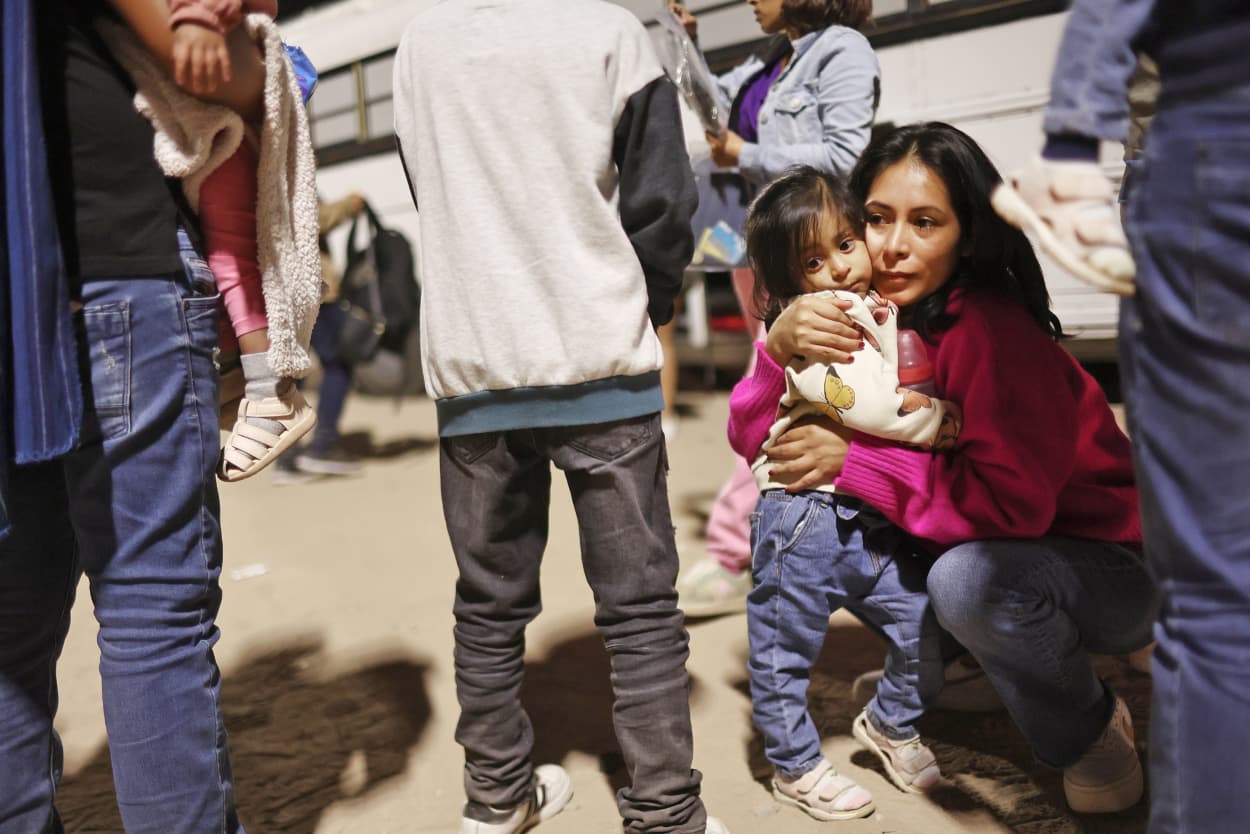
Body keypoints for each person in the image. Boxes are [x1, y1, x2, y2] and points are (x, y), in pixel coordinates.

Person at [728, 122, 1156, 815]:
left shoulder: (989, 330)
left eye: (924, 222)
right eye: (874, 220)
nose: (890, 245)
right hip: (1013, 544)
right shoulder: (870, 312)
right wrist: (775, 349)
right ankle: (973, 662)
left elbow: (1012, 510)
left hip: (1114, 566)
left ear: (970, 233)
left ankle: (1088, 728)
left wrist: (856, 461)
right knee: (823, 535)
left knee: (964, 580)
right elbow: (759, 440)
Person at [391, 2, 728, 833]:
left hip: (473, 363)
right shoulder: (608, 29)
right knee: (641, 607)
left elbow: (427, 184)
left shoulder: (418, 42)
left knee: (488, 603)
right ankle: (664, 813)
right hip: (596, 356)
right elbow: (663, 201)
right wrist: (634, 305)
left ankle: (497, 797)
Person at [0, 0, 264, 829]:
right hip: (111, 262)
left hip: (13, 290)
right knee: (153, 609)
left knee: (9, 629)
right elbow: (222, 69)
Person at [991, 3, 1250, 830]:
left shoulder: (1014, 343)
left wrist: (1071, 139)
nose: (886, 247)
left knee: (1216, 605)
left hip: (1215, 143)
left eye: (921, 221)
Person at [735, 167, 964, 819]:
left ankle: (890, 722)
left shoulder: (873, 310)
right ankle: (794, 766)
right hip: (801, 517)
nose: (839, 266)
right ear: (786, 282)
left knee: (924, 617)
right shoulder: (815, 323)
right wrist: (946, 421)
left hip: (865, 517)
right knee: (784, 649)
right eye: (813, 259)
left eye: (844, 243)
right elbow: (868, 406)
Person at [669, 0, 881, 618]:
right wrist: (685, 43)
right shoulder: (774, 57)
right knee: (773, 382)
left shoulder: (842, 49)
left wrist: (747, 154)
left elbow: (843, 158)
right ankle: (764, 543)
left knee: (778, 383)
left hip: (805, 255)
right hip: (759, 250)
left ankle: (738, 550)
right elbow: (710, 110)